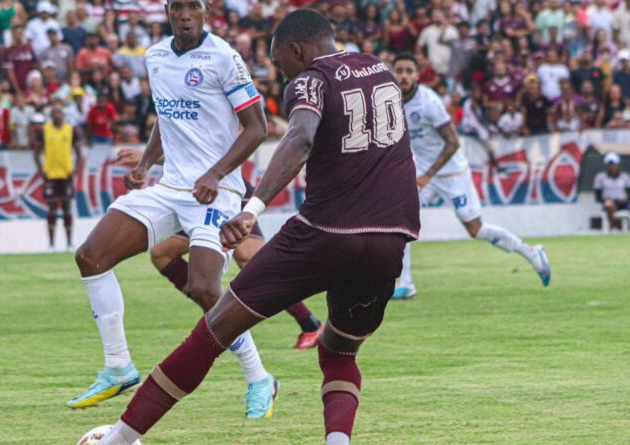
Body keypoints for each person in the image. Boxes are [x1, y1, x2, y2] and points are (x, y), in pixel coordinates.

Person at [94, 10, 420, 445]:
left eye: (278, 62)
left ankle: (118, 439)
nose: (279, 73)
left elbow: (300, 137)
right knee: (339, 350)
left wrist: (252, 209)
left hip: (325, 232)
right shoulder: (378, 69)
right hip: (391, 238)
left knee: (212, 330)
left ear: (297, 50)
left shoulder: (308, 80)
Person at [67, 0, 278, 419]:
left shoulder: (223, 57)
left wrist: (216, 175)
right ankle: (118, 366)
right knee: (90, 256)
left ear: (205, 11)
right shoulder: (156, 56)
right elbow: (167, 117)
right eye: (178, 6)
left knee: (204, 287)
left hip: (215, 193)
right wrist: (146, 164)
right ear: (167, 12)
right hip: (170, 187)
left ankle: (259, 378)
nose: (186, 14)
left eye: (193, 7)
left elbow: (258, 127)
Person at [115, 148, 324, 349]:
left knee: (252, 262)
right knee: (162, 253)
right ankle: (218, 316)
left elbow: (211, 151)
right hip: (198, 196)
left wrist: (148, 158)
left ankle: (309, 325)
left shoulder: (229, 114)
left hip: (225, 191)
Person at [390, 53, 551, 300]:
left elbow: (453, 142)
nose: (403, 76)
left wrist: (428, 175)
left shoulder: (429, 102)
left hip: (452, 173)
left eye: (408, 71)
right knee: (400, 220)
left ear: (417, 75)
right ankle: (406, 282)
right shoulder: (392, 100)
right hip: (422, 173)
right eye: (399, 70)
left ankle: (532, 254)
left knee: (475, 229)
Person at [33, 105, 83, 252]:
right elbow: (36, 153)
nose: (57, 115)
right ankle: (51, 244)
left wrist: (74, 170)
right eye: (54, 112)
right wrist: (41, 170)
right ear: (50, 116)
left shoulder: (71, 130)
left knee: (67, 208)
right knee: (52, 209)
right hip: (50, 174)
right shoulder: (44, 131)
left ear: (63, 115)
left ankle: (69, 243)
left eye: (59, 112)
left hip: (66, 174)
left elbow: (79, 153)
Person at [594, 152, 630, 231]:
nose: (612, 166)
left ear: (617, 164)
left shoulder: (625, 177)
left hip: (623, 203)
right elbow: (597, 196)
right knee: (609, 205)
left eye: (613, 164)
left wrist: (626, 198)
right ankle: (616, 227)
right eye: (609, 164)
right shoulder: (601, 177)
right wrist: (605, 200)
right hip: (609, 203)